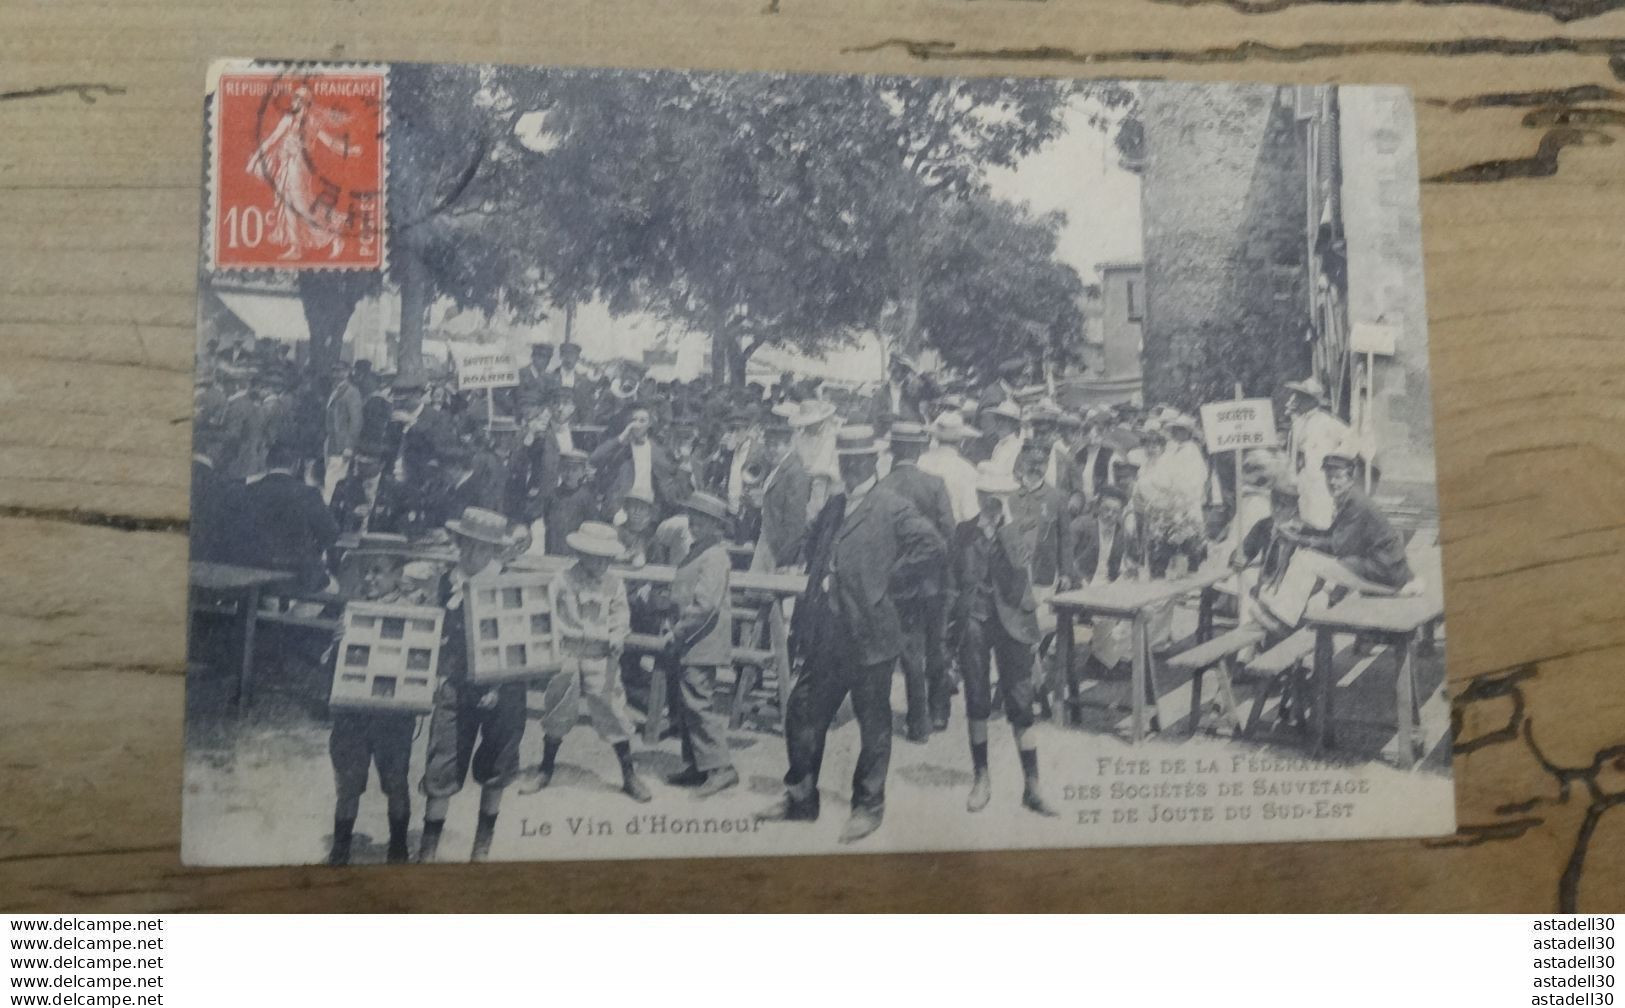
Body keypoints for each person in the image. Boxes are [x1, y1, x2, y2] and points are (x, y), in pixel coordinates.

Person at [759, 425, 946, 844]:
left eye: (858, 460)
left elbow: (934, 546)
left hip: (870, 631)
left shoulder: (892, 506)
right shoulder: (834, 505)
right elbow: (816, 551)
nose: (850, 466)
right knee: (803, 710)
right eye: (845, 459)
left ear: (873, 462)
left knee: (873, 721)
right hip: (827, 629)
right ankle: (801, 799)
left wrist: (887, 584)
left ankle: (868, 806)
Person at [949, 463, 1060, 816]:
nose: (990, 504)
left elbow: (1020, 560)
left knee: (1021, 701)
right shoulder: (963, 532)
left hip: (1014, 621)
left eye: (997, 498)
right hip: (975, 621)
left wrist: (1006, 521)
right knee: (977, 700)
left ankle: (1032, 785)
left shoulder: (1022, 526)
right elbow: (954, 581)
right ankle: (981, 778)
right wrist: (951, 632)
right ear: (978, 496)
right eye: (985, 497)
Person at [418, 508, 528, 863]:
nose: (473, 553)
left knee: (497, 763)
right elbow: (436, 634)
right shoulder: (447, 581)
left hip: (503, 689)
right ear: (460, 542)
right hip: (456, 684)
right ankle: (429, 848)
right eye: (468, 544)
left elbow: (522, 643)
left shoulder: (509, 583)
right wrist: (435, 674)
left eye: (483, 548)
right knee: (442, 762)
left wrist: (500, 683)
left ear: (494, 551)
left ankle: (482, 846)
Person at [530, 521, 650, 803]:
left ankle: (629, 774)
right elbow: (545, 613)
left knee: (613, 710)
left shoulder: (614, 583)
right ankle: (545, 769)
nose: (600, 563)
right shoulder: (561, 580)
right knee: (558, 708)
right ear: (581, 554)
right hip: (568, 653)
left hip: (601, 655)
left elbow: (621, 617)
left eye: (605, 558)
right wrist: (560, 633)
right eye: (594, 556)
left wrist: (618, 635)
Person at [325, 560, 422, 866]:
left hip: (392, 717)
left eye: (377, 571)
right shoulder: (352, 610)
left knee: (396, 782)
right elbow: (333, 667)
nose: (368, 577)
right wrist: (337, 644)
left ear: (397, 574)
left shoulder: (414, 612)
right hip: (353, 714)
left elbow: (422, 661)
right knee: (348, 783)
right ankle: (340, 849)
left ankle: (398, 848)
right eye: (365, 570)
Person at [1256, 448, 1415, 631]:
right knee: (1309, 558)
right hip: (1386, 571)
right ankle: (1287, 611)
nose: (1332, 482)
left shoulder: (1355, 503)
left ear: (1350, 477)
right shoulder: (1351, 497)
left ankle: (1282, 621)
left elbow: (1337, 547)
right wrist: (1303, 530)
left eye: (1338, 477)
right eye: (1328, 476)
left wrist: (1299, 539)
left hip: (1386, 578)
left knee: (1305, 560)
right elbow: (1333, 535)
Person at [875, 421, 957, 739]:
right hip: (934, 582)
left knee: (909, 649)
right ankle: (938, 712)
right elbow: (948, 533)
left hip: (899, 582)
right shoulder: (935, 485)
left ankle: (918, 719)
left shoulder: (883, 487)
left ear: (894, 450)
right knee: (935, 646)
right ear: (919, 450)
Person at [661, 492, 740, 797]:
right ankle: (698, 765)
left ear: (717, 526)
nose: (694, 523)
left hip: (700, 642)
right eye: (692, 517)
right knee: (686, 703)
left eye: (702, 520)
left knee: (698, 703)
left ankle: (722, 768)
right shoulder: (696, 550)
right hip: (688, 641)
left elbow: (706, 605)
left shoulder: (716, 556)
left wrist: (678, 632)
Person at [240, 439, 339, 593]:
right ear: (296, 464)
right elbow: (330, 533)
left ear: (268, 464)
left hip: (251, 576)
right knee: (334, 589)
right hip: (298, 576)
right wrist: (313, 550)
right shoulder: (308, 494)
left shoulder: (246, 491)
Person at [589, 406, 683, 518]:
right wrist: (621, 437)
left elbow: (670, 475)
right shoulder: (620, 448)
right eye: (633, 420)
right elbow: (594, 459)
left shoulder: (659, 449)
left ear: (649, 424)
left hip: (648, 510)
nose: (637, 424)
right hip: (620, 509)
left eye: (642, 420)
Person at [1282, 377, 1350, 532]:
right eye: (1297, 396)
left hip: (1321, 478)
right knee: (1305, 515)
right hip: (1303, 477)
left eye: (1301, 397)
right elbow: (1293, 453)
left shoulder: (1328, 422)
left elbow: (1350, 440)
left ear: (1310, 400)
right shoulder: (1297, 423)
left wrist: (1335, 463)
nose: (1296, 400)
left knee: (1321, 516)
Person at [754, 418, 813, 572]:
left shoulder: (795, 472)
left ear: (788, 445)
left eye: (776, 445)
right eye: (768, 445)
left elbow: (796, 520)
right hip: (767, 536)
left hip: (780, 545)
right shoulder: (775, 468)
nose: (771, 450)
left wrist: (787, 557)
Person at [918, 412, 982, 524]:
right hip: (951, 532)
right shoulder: (966, 470)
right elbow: (969, 513)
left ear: (936, 438)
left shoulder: (920, 461)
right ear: (961, 441)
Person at [323, 360, 364, 502]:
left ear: (348, 372)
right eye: (334, 371)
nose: (336, 374)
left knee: (334, 480)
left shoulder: (351, 392)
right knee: (330, 479)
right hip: (331, 441)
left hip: (342, 444)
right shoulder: (335, 390)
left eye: (340, 371)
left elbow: (356, 420)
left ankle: (331, 510)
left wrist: (349, 446)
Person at [543, 448, 597, 555]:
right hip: (554, 547)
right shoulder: (553, 494)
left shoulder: (586, 497)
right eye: (565, 469)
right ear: (560, 470)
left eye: (574, 470)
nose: (569, 474)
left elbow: (591, 525)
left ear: (582, 473)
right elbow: (547, 520)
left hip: (576, 550)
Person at [983, 401, 1024, 478]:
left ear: (1014, 424)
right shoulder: (999, 444)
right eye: (998, 419)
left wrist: (984, 466)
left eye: (1004, 420)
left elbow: (1009, 474)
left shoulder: (1017, 447)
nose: (999, 424)